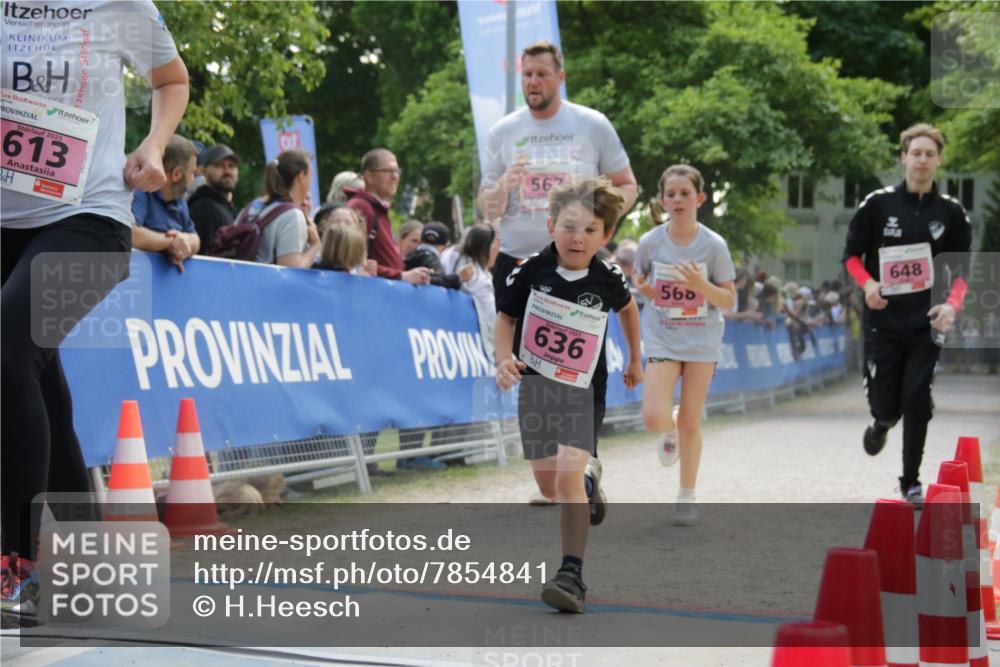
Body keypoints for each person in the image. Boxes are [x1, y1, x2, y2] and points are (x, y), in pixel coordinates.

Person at [1, 0, 188, 621]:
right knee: (30, 373)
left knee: (6, 350)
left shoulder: (123, 5)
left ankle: (19, 566)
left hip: (90, 216)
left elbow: (171, 79)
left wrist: (155, 146)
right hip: (6, 223)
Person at [494, 177, 642, 613]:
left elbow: (628, 309)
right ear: (551, 224)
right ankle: (589, 484)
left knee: (565, 478)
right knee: (550, 484)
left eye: (591, 229)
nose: (578, 238)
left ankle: (571, 576)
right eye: (570, 226)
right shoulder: (531, 271)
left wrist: (635, 359)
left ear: (606, 235)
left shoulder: (607, 276)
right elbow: (505, 319)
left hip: (583, 391)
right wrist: (504, 358)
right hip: (537, 388)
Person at [843, 123, 972, 505]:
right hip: (883, 321)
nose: (922, 159)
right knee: (887, 404)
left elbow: (962, 272)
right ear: (903, 157)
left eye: (929, 154)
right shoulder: (877, 204)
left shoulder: (951, 213)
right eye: (915, 152)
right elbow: (851, 256)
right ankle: (882, 422)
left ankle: (910, 480)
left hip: (926, 322)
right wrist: (868, 285)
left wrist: (951, 305)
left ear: (939, 161)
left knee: (917, 398)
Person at [478, 40, 638, 306]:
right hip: (517, 262)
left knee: (581, 349)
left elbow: (627, 185)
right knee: (510, 347)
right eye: (527, 75)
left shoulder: (593, 124)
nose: (533, 81)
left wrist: (598, 219)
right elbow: (487, 209)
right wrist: (504, 184)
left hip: (578, 263)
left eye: (542, 74)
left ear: (560, 77)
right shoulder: (502, 131)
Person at [634, 165, 736, 527]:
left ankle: (686, 496)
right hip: (663, 334)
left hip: (702, 338)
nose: (678, 200)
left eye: (685, 194)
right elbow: (639, 277)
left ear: (700, 199)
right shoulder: (650, 242)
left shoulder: (713, 245)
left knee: (692, 419)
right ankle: (669, 426)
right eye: (671, 194)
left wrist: (699, 284)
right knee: (653, 417)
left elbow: (727, 299)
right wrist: (644, 288)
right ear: (662, 200)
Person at [345, 149, 430, 285]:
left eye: (397, 171)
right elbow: (352, 263)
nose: (395, 177)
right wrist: (401, 276)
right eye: (388, 171)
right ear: (369, 176)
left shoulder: (376, 208)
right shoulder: (361, 207)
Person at [238, 149, 321, 268]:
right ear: (301, 176)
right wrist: (315, 246)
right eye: (310, 176)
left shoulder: (251, 207)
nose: (310, 182)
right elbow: (292, 271)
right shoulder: (292, 215)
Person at [130, 134, 201, 271]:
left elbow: (196, 240)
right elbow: (131, 234)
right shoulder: (140, 189)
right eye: (192, 172)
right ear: (176, 174)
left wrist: (184, 240)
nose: (193, 179)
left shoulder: (179, 200)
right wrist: (171, 243)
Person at [189, 144, 240, 253]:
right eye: (219, 165)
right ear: (203, 171)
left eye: (232, 166)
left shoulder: (226, 206)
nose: (228, 171)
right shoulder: (203, 207)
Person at [404, 222, 475, 289]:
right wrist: (458, 277)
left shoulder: (408, 257)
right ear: (445, 246)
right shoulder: (432, 261)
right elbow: (435, 281)